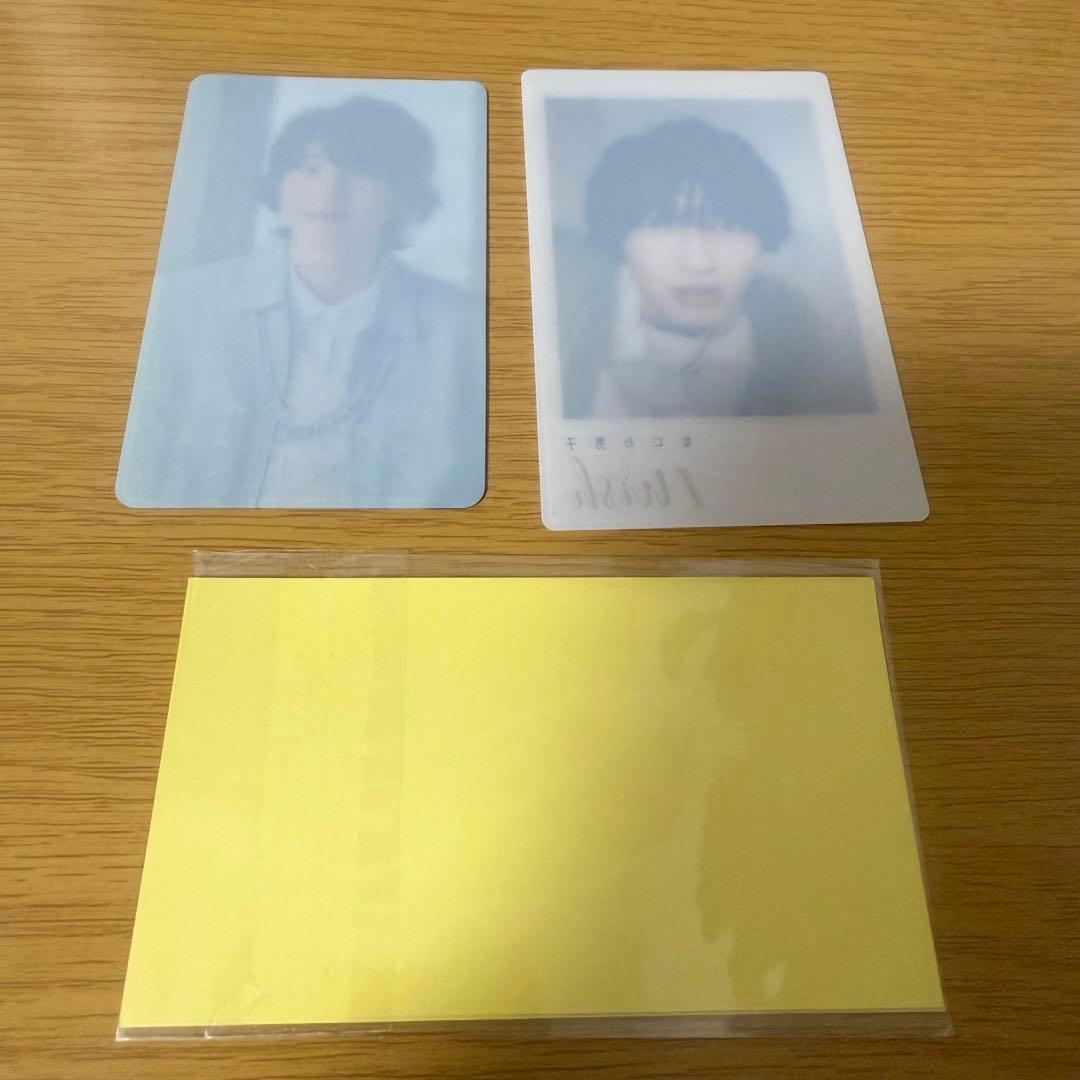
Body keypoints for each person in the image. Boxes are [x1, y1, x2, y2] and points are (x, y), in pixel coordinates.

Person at [117, 95, 484, 508]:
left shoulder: (463, 329)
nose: (330, 189)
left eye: (359, 169)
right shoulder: (179, 305)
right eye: (311, 168)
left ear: (403, 197)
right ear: (278, 186)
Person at [556, 117, 874, 419]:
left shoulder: (801, 336)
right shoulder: (564, 309)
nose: (700, 262)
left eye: (730, 226)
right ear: (617, 235)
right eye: (661, 225)